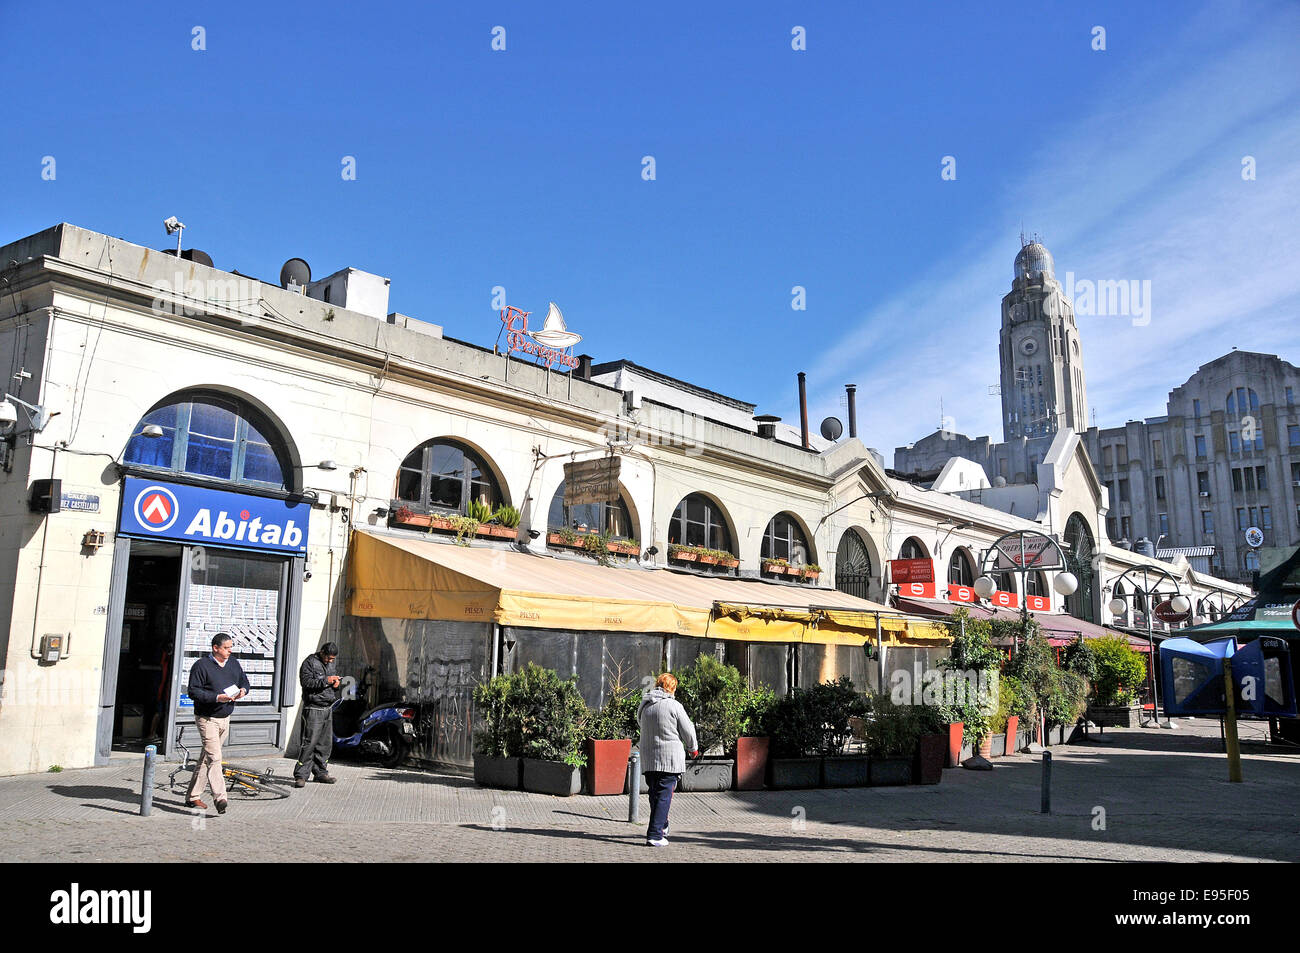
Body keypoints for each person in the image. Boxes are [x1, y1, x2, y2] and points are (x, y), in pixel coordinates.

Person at [185, 632, 251, 814]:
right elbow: (193, 692)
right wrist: (216, 697)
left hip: (225, 717)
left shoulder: (233, 663)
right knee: (215, 758)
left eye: (231, 647)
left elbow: (244, 681)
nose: (230, 651)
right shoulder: (201, 666)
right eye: (227, 648)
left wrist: (243, 690)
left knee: (206, 758)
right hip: (207, 719)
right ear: (216, 648)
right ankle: (220, 798)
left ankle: (192, 796)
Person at [636, 672, 698, 847]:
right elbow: (688, 729)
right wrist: (693, 748)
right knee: (664, 796)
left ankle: (662, 826)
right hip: (669, 759)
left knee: (655, 794)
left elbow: (642, 725)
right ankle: (655, 835)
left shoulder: (645, 705)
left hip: (649, 759)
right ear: (672, 688)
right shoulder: (674, 706)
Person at [294, 641, 341, 787]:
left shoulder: (330, 665)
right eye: (328, 658)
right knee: (309, 743)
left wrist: (336, 685)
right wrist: (326, 680)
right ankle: (301, 775)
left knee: (325, 744)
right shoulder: (309, 663)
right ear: (322, 652)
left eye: (332, 659)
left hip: (327, 708)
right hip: (313, 708)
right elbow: (307, 682)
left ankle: (321, 772)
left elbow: (329, 683)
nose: (330, 661)